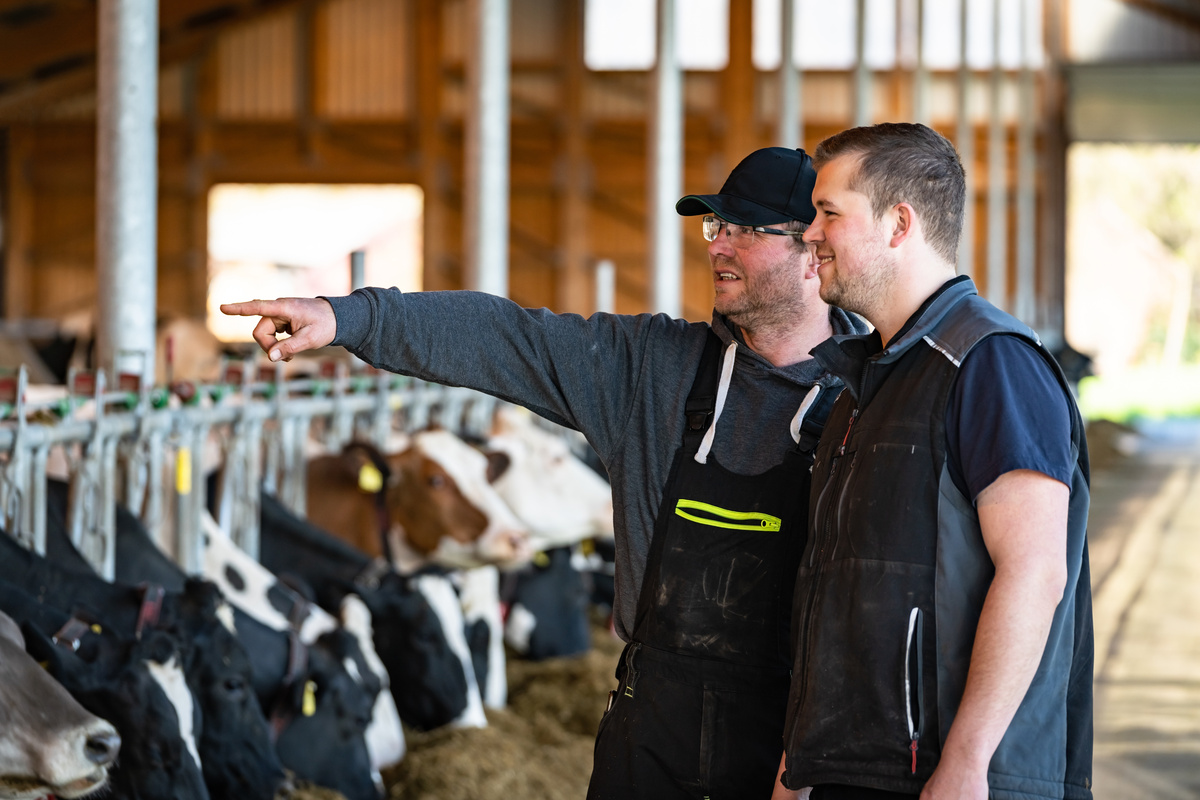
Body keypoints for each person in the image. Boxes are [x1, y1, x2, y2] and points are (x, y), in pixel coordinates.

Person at [223, 147, 868, 799]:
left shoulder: (871, 401)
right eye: (714, 227)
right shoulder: (648, 370)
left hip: (794, 747)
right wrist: (349, 318)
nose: (718, 247)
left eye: (745, 231)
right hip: (653, 729)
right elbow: (505, 337)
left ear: (813, 249)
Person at [776, 122, 1093, 800]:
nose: (808, 234)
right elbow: (837, 590)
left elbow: (1034, 570)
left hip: (945, 778)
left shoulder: (990, 364)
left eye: (829, 213)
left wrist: (967, 762)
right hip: (856, 771)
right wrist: (797, 766)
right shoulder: (866, 386)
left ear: (898, 223)